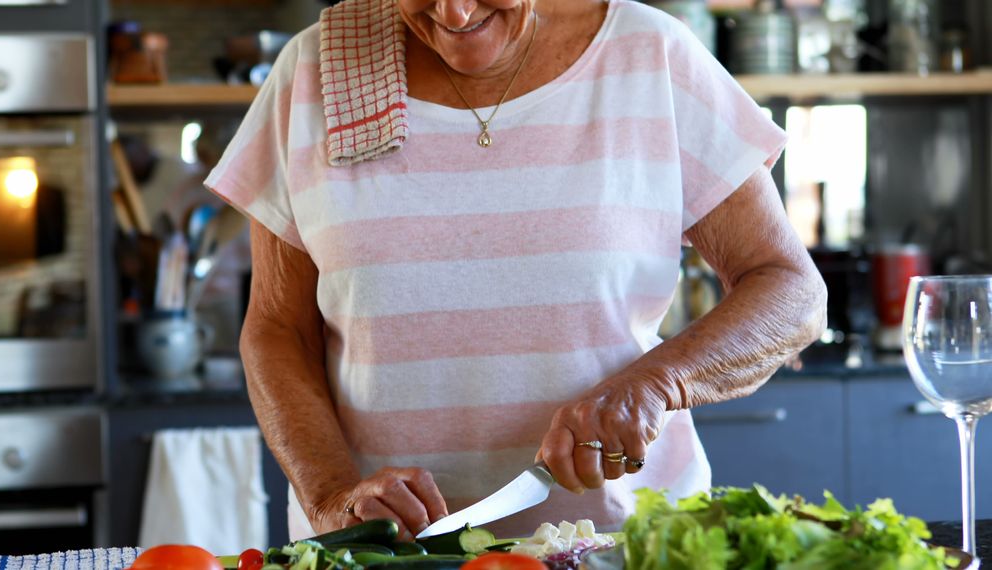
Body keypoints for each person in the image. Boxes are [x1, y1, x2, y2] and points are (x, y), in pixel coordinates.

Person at [205, 0, 827, 542]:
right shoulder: (318, 70)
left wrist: (655, 386)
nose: (454, 13)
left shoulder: (650, 55)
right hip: (386, 553)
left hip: (620, 544)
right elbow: (277, 328)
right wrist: (332, 497)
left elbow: (790, 288)